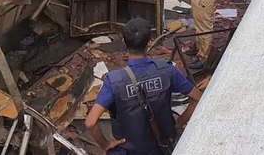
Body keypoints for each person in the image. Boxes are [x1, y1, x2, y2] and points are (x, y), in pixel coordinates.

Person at [85, 17, 202, 155]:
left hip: (127, 150)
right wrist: (179, 123)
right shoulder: (167, 70)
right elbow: (198, 97)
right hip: (162, 147)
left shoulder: (114, 81)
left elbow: (90, 123)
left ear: (124, 42)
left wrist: (105, 145)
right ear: (149, 43)